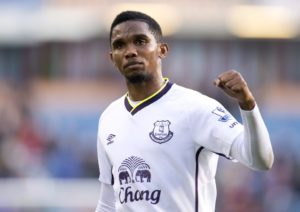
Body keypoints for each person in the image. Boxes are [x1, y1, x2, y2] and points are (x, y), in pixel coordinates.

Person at [95, 11, 274, 212]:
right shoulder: (109, 118)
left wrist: (248, 105)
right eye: (120, 45)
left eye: (140, 41)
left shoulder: (195, 108)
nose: (130, 51)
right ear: (112, 57)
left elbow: (261, 160)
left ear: (162, 50)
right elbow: (108, 202)